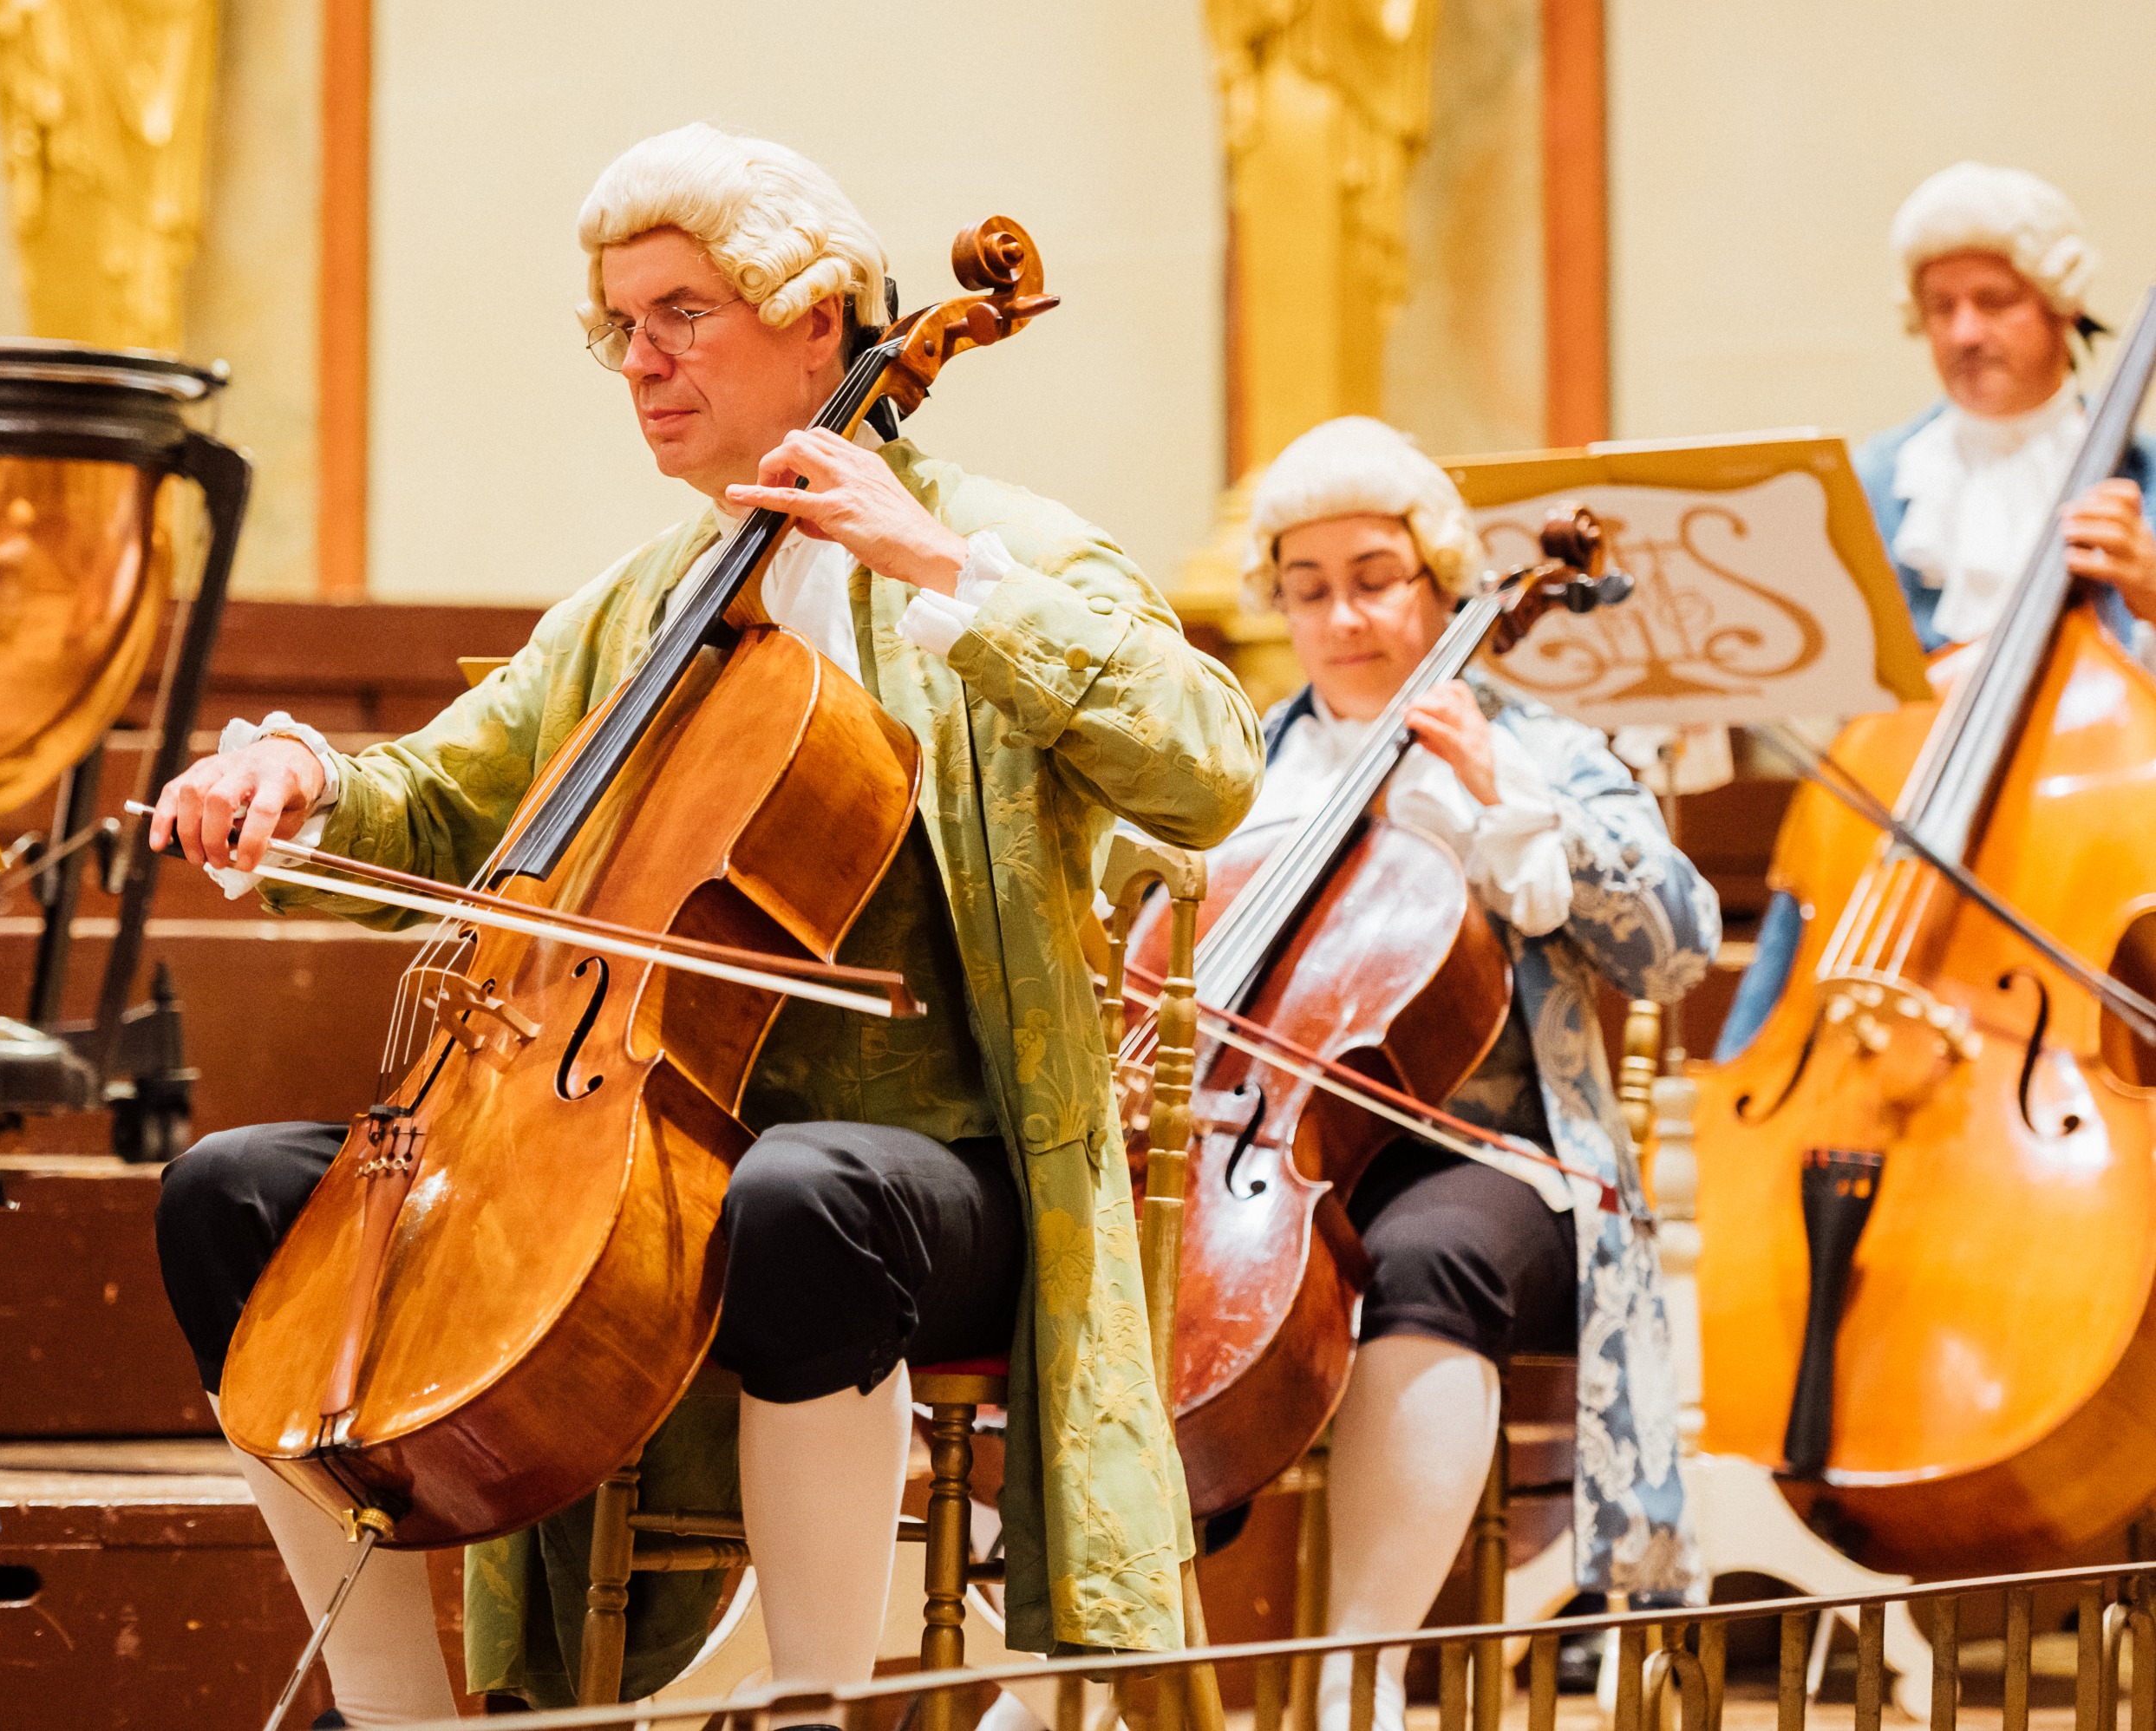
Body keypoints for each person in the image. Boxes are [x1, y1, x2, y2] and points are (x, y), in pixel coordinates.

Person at [148, 123, 1261, 1726]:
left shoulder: (1011, 550)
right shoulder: (636, 606)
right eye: (619, 327)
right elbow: (440, 800)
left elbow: (1211, 764)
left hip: (937, 1177)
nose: (641, 363)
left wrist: (944, 565)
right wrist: (292, 771)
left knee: (802, 1199)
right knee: (232, 1203)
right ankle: (397, 1711)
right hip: (620, 1156)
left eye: (682, 316)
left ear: (820, 320)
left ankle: (811, 1702)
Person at [1234, 417, 1716, 1731]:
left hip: (1510, 1161)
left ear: (1442, 581)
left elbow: (1678, 945)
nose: (1344, 615)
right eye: (1309, 585)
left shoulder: (1542, 747)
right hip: (1273, 1151)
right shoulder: (1242, 765)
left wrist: (1501, 789)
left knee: (1430, 1250)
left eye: (1376, 576)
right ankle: (1089, 1671)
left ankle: (1360, 1678)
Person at [1717, 160, 2156, 1060]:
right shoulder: (1879, 483)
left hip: (2087, 858)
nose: (1963, 331)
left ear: (2063, 307)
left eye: (1994, 301)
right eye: (1940, 305)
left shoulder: (2142, 487)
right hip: (1894, 859)